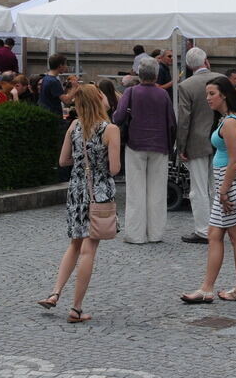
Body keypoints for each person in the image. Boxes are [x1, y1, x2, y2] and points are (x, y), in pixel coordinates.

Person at [36, 84, 121, 323]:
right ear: (98, 100)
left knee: (74, 244)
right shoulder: (110, 129)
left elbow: (63, 160)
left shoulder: (74, 126)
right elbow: (114, 169)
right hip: (99, 193)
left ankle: (55, 293)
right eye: (103, 96)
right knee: (88, 249)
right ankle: (76, 308)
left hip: (76, 190)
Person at [180, 76, 236, 304]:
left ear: (223, 94)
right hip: (229, 182)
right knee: (215, 235)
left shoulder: (231, 122)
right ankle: (207, 288)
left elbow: (234, 161)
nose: (208, 98)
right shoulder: (228, 119)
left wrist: (223, 191)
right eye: (207, 94)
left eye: (211, 94)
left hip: (233, 183)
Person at [113, 56, 177, 245]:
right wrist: (170, 145)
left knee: (135, 190)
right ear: (156, 75)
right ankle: (156, 233)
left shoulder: (131, 92)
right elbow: (172, 122)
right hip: (159, 146)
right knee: (157, 191)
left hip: (135, 144)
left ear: (140, 74)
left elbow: (118, 117)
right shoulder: (163, 95)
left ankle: (135, 234)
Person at [177, 47, 221, 244]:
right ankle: (219, 226)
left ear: (188, 66)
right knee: (218, 185)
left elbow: (184, 119)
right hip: (222, 139)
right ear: (207, 61)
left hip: (197, 141)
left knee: (199, 188)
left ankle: (203, 230)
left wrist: (181, 145)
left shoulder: (186, 85)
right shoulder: (222, 80)